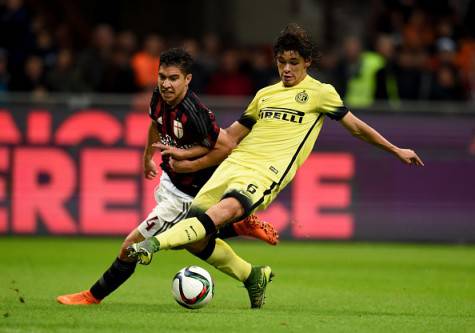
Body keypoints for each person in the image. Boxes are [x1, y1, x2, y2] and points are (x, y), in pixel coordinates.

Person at [127, 23, 425, 308]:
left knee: (220, 213)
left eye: (293, 62)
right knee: (194, 238)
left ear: (307, 62)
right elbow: (229, 137)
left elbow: (356, 127)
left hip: (264, 173)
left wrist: (395, 149)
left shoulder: (321, 93)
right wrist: (186, 155)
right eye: (281, 62)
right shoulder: (264, 95)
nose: (286, 69)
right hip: (234, 165)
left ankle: (152, 246)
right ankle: (253, 276)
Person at [56, 48, 278, 306]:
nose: (166, 83)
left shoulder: (196, 113)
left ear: (188, 80)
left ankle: (92, 296)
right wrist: (147, 156)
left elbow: (226, 147)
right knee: (193, 243)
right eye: (162, 77)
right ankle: (250, 269)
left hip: (186, 193)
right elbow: (155, 124)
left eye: (173, 78)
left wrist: (189, 164)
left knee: (132, 245)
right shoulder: (158, 96)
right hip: (170, 181)